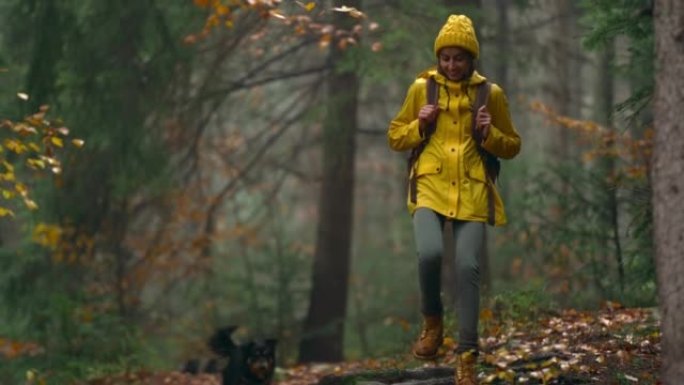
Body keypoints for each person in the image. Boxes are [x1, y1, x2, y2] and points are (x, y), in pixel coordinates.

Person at [387, 14, 521, 385]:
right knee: (429, 253)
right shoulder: (421, 88)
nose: (451, 65)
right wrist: (420, 125)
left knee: (467, 268)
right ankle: (432, 322)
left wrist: (489, 133)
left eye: (458, 58)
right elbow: (396, 136)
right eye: (445, 57)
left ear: (471, 59)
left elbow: (512, 146)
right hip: (429, 185)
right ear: (438, 57)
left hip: (474, 188)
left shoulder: (489, 95)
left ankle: (466, 356)